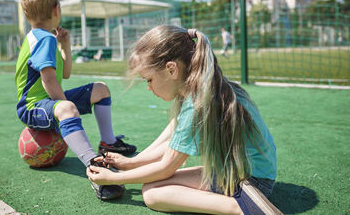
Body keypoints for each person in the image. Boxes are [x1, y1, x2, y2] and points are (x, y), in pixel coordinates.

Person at [87, 25, 282, 214]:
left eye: (149, 79)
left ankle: (241, 208)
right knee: (153, 186)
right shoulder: (201, 90)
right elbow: (172, 141)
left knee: (152, 194)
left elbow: (166, 167)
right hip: (245, 170)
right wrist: (131, 163)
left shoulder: (197, 103)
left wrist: (114, 178)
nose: (148, 87)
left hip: (251, 181)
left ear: (171, 69)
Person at [15, 0, 136, 200]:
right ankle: (95, 169)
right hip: (32, 109)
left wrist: (65, 45)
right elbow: (49, 81)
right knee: (67, 108)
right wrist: (66, 109)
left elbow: (65, 73)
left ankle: (108, 142)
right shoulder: (43, 39)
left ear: (26, 13)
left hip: (49, 103)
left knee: (101, 89)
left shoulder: (44, 38)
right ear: (56, 9)